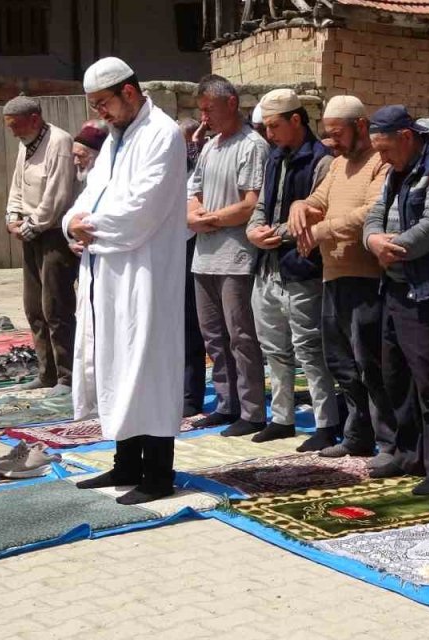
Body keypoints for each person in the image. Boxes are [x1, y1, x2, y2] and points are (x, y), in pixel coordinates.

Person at [65, 57, 188, 504]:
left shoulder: (162, 134)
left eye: (104, 103)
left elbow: (142, 209)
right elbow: (88, 196)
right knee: (118, 362)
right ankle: (125, 465)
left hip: (147, 272)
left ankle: (157, 476)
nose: (101, 113)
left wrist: (87, 227)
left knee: (148, 366)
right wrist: (71, 224)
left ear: (129, 92)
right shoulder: (116, 139)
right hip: (110, 269)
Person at [363, 105, 429, 496]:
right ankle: (410, 453)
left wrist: (395, 248)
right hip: (394, 286)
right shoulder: (398, 169)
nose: (381, 158)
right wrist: (374, 241)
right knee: (396, 375)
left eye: (385, 149)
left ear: (406, 137)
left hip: (426, 289)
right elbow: (374, 216)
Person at [288, 95, 394, 459]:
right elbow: (317, 200)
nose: (331, 141)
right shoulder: (335, 165)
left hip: (365, 277)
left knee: (370, 363)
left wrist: (321, 231)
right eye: (327, 134)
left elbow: (370, 212)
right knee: (341, 362)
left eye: (337, 133)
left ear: (360, 126)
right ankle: (356, 435)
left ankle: (388, 441)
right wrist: (299, 207)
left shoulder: (381, 163)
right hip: (333, 275)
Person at [244, 88, 338, 442]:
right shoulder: (274, 157)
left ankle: (326, 423)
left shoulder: (321, 160)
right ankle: (282, 418)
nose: (269, 134)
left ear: (295, 120)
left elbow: (316, 214)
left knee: (309, 349)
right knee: (273, 348)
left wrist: (275, 233)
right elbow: (261, 206)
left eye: (274, 126)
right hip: (268, 267)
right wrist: (254, 231)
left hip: (302, 268)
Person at [187, 75, 271, 436]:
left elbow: (251, 203)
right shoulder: (210, 147)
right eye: (201, 110)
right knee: (213, 336)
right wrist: (194, 215)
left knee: (241, 336)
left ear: (231, 103)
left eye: (209, 109)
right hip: (204, 255)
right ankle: (226, 402)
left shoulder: (251, 145)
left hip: (236, 256)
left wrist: (212, 219)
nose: (204, 117)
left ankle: (252, 410)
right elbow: (195, 191)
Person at [3, 96, 80, 398]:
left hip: (53, 234)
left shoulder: (58, 142)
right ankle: (46, 371)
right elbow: (17, 186)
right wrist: (12, 217)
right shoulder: (26, 143)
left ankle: (67, 375)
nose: (13, 132)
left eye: (16, 125)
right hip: (31, 233)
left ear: (34, 119)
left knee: (56, 306)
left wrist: (31, 225)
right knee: (33, 305)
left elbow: (57, 196)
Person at [178, 117, 207, 419]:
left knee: (190, 327)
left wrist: (195, 148)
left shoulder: (198, 165)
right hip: (167, 251)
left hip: (191, 249)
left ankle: (190, 396)